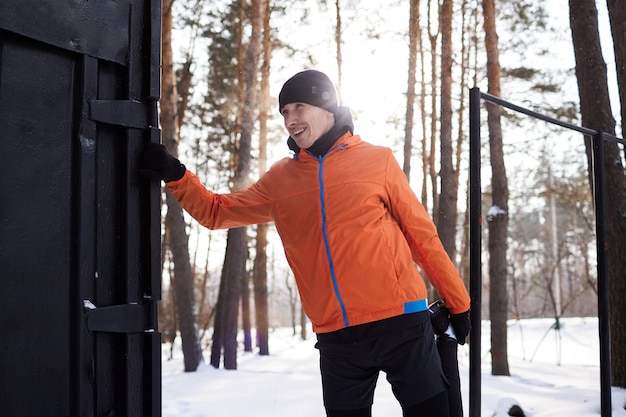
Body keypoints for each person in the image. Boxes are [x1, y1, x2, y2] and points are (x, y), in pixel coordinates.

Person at [140, 69, 471, 417]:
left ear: (328, 107)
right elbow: (216, 212)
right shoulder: (281, 180)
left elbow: (422, 237)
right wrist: (175, 174)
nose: (290, 119)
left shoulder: (377, 161)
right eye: (284, 112)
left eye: (299, 107)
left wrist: (458, 302)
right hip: (338, 341)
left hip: (401, 326)